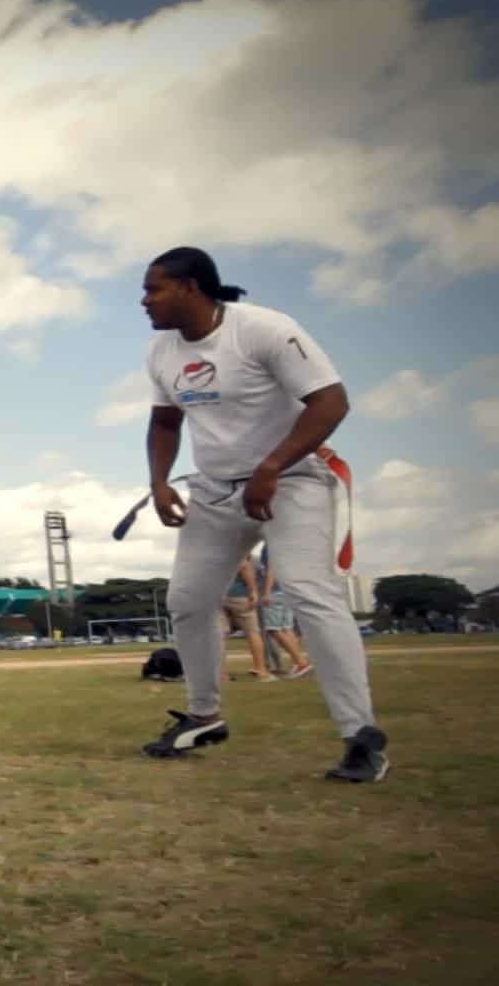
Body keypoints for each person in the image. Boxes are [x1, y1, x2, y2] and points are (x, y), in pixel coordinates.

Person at [136, 247, 385, 781]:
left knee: (307, 590)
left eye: (154, 288)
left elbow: (331, 401)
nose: (145, 300)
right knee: (187, 600)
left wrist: (272, 465)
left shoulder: (264, 330)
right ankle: (205, 716)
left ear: (191, 287)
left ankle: (361, 736)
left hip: (291, 481)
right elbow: (164, 424)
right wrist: (158, 483)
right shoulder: (161, 351)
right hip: (216, 491)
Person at [258, 548, 314, 679]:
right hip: (287, 591)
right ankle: (300, 662)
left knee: (273, 629)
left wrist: (267, 592)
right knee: (286, 629)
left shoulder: (270, 546)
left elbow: (272, 568)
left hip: (275, 592)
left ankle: (301, 663)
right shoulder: (286, 546)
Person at [221, 557, 276, 681]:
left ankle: (221, 673)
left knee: (220, 634)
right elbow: (243, 565)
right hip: (239, 595)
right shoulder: (235, 549)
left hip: (217, 596)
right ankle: (261, 670)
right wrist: (253, 591)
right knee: (253, 632)